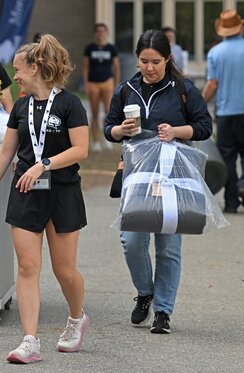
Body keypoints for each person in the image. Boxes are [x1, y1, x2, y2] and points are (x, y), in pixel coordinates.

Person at [0, 34, 89, 364]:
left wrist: (44, 164)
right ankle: (29, 340)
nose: (15, 78)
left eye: (18, 71)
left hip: (63, 191)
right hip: (25, 193)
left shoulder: (69, 103)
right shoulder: (20, 107)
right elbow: (6, 153)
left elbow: (81, 149)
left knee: (64, 270)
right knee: (27, 267)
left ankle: (76, 318)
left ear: (35, 68)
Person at [104, 30, 212, 334]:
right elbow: (107, 128)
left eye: (155, 62)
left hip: (173, 175)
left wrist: (177, 132)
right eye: (144, 61)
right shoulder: (126, 89)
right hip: (137, 174)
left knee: (168, 246)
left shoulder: (183, 89)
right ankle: (145, 292)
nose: (149, 68)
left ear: (168, 59)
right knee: (132, 241)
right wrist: (119, 132)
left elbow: (204, 127)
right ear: (137, 59)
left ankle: (163, 311)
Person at [203, 9, 244, 213]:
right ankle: (243, 186)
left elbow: (212, 84)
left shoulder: (215, 53)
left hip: (226, 113)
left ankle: (231, 202)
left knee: (228, 157)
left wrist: (200, 103)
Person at [82, 22, 121, 152]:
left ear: (107, 33)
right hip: (93, 83)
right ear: (95, 33)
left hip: (107, 82)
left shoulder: (111, 48)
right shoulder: (89, 48)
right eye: (98, 31)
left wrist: (116, 84)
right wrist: (86, 83)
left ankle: (107, 138)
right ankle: (96, 140)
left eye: (103, 31)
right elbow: (86, 67)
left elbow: (116, 67)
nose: (101, 33)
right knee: (94, 112)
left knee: (108, 112)